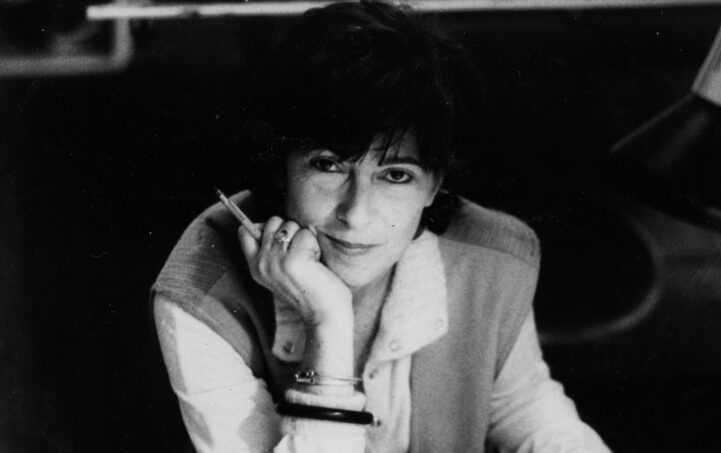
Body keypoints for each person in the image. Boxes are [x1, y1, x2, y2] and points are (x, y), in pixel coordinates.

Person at [151, 1, 610, 451]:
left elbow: (521, 409)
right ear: (281, 166)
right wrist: (327, 323)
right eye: (328, 165)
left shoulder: (493, 255)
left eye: (396, 175)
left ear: (435, 185)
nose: (356, 213)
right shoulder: (199, 292)